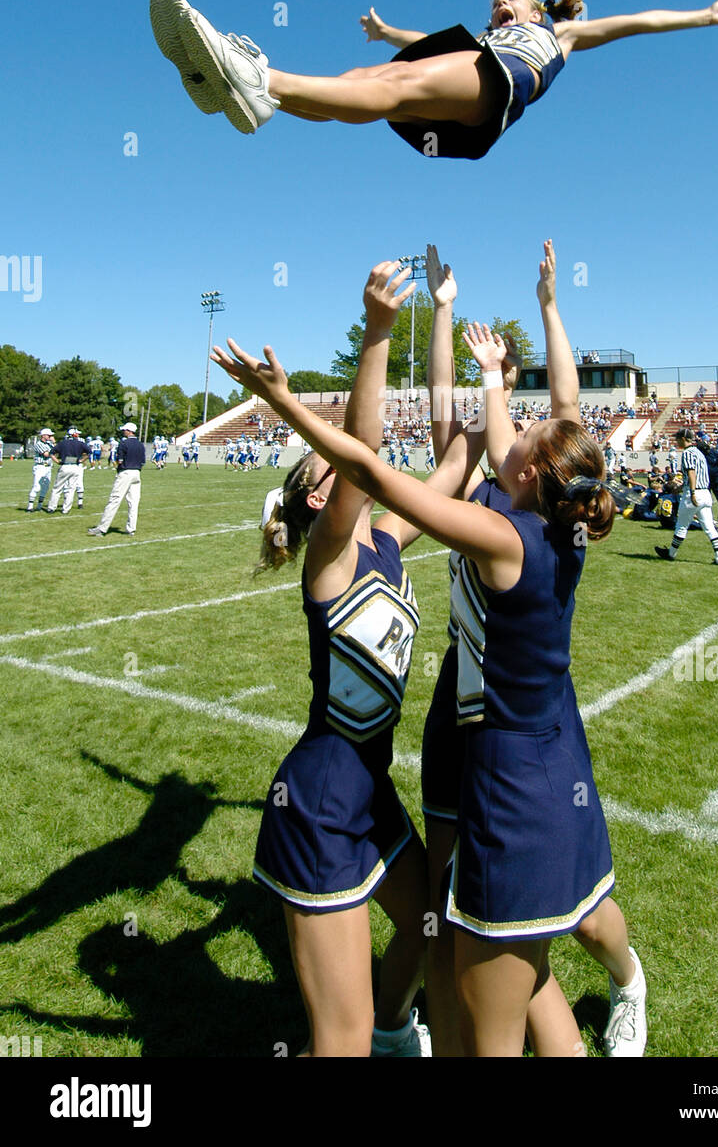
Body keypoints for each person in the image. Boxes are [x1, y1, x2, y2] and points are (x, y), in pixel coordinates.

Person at [212, 252, 643, 1058]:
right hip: (383, 779)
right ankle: (391, 1029)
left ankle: (403, 1025)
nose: (508, 435)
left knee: (464, 955)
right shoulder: (516, 523)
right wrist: (450, 336)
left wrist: (303, 393)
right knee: (450, 969)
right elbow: (410, 453)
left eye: (522, 439)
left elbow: (405, 459)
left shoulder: (483, 527)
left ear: (531, 472)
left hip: (458, 774)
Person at [245, 263, 438, 1058]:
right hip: (320, 802)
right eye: (325, 465)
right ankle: (372, 1034)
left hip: (370, 793)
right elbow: (361, 452)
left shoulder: (387, 545)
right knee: (339, 1040)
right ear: (321, 498)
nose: (343, 464)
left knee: (432, 916)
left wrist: (447, 323)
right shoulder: (330, 558)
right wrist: (377, 332)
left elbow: (455, 460)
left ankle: (396, 1025)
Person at [150, 0, 718, 158]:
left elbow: (635, 22)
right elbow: (426, 49)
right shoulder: (483, 37)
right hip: (472, 94)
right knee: (370, 79)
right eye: (494, 1)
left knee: (398, 83)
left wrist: (704, 16)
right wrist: (390, 32)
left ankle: (258, 77)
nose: (501, 5)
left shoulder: (559, 33)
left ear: (534, 8)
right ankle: (260, 98)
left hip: (503, 87)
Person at [655, 430, 718, 565]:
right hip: (705, 492)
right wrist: (679, 488)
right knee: (709, 527)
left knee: (681, 526)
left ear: (683, 438)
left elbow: (691, 473)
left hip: (694, 493)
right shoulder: (700, 453)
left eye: (677, 439)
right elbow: (696, 475)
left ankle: (671, 553)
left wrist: (692, 492)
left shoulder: (687, 453)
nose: (676, 442)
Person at [87, 423, 146, 536]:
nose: (123, 432)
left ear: (129, 431)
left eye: (125, 430)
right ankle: (131, 528)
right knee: (133, 502)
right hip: (137, 472)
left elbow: (120, 461)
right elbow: (142, 462)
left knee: (114, 500)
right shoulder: (140, 445)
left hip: (125, 472)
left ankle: (102, 528)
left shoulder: (123, 443)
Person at [46, 428, 90, 514]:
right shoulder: (80, 443)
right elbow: (89, 452)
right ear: (75, 435)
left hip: (65, 465)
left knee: (57, 488)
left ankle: (51, 507)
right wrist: (82, 460)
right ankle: (66, 509)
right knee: (71, 489)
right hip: (75, 466)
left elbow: (51, 453)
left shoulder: (62, 443)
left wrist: (57, 461)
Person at [26, 428, 55, 512]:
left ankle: (39, 505)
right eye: (49, 435)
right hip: (40, 466)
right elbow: (46, 454)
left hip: (48, 466)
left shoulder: (49, 444)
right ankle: (30, 506)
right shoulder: (38, 444)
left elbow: (57, 451)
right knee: (36, 486)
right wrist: (53, 451)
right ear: (43, 435)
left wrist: (53, 444)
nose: (50, 436)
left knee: (45, 487)